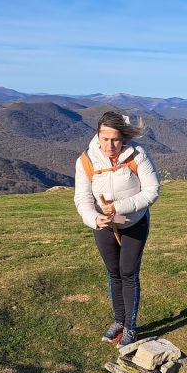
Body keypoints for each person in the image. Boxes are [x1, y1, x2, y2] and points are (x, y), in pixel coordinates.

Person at [74, 111, 161, 347]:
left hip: (134, 222)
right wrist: (93, 217)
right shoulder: (86, 161)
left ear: (123, 138)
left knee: (128, 272)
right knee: (113, 272)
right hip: (103, 225)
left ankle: (130, 327)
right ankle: (118, 321)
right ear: (98, 135)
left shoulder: (138, 155)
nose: (110, 145)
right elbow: (82, 197)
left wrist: (119, 207)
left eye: (115, 139)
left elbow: (152, 191)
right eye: (105, 139)